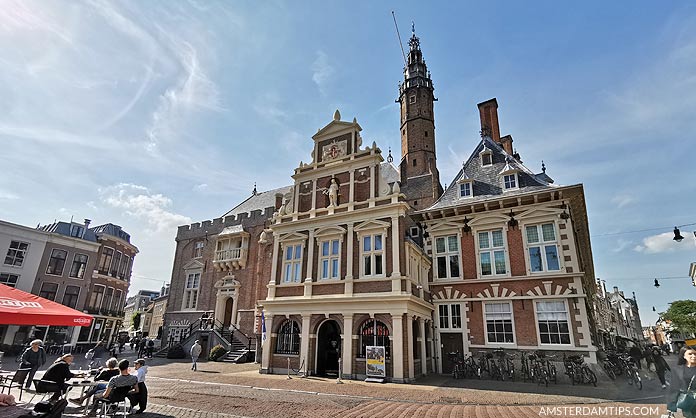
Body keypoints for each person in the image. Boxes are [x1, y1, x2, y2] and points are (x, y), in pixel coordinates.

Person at [667, 347, 696, 417]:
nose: (694, 356)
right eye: (690, 354)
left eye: (695, 354)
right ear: (684, 356)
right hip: (687, 401)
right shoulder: (677, 370)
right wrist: (671, 407)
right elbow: (674, 389)